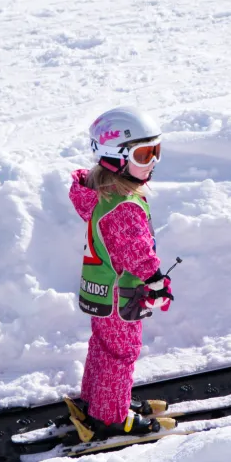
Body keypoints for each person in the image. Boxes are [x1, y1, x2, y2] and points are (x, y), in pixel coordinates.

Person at [66, 106, 175, 441]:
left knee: (103, 347)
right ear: (115, 157)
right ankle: (112, 418)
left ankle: (99, 402)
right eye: (144, 154)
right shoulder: (125, 206)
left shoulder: (101, 194)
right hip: (122, 294)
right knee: (121, 353)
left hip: (100, 289)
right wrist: (157, 282)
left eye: (156, 151)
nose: (153, 161)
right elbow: (138, 253)